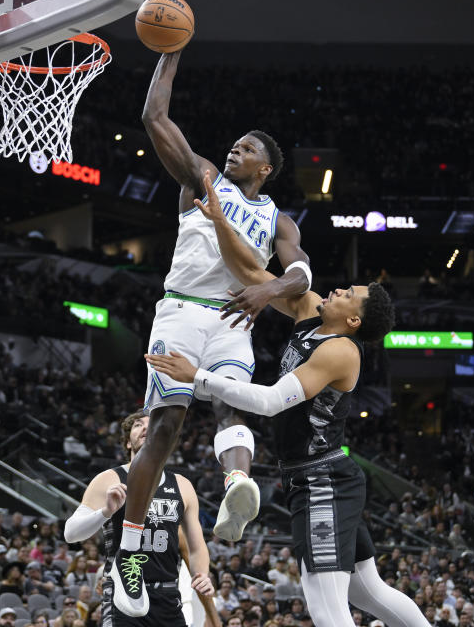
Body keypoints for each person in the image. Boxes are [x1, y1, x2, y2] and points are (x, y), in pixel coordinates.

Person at [147, 198, 428, 627]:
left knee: (326, 606)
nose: (339, 289)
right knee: (368, 590)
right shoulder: (310, 309)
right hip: (317, 477)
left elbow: (271, 401)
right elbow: (253, 274)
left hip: (322, 481)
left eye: (349, 295)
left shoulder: (340, 352)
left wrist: (196, 376)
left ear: (354, 321)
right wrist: (222, 223)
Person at [117, 46, 313, 615]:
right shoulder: (203, 178)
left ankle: (236, 489)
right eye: (235, 143)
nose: (235, 149)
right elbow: (155, 119)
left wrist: (268, 290)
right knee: (165, 428)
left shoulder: (280, 218)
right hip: (180, 309)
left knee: (232, 404)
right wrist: (170, 56)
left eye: (247, 148)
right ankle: (130, 549)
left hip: (233, 317)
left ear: (266, 169)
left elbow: (300, 272)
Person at [66, 411, 218, 624]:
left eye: (153, 425)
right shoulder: (108, 479)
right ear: (128, 442)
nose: (146, 428)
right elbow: (70, 533)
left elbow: (195, 546)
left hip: (168, 594)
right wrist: (105, 512)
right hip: (123, 592)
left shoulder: (182, 485)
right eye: (138, 425)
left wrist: (201, 574)